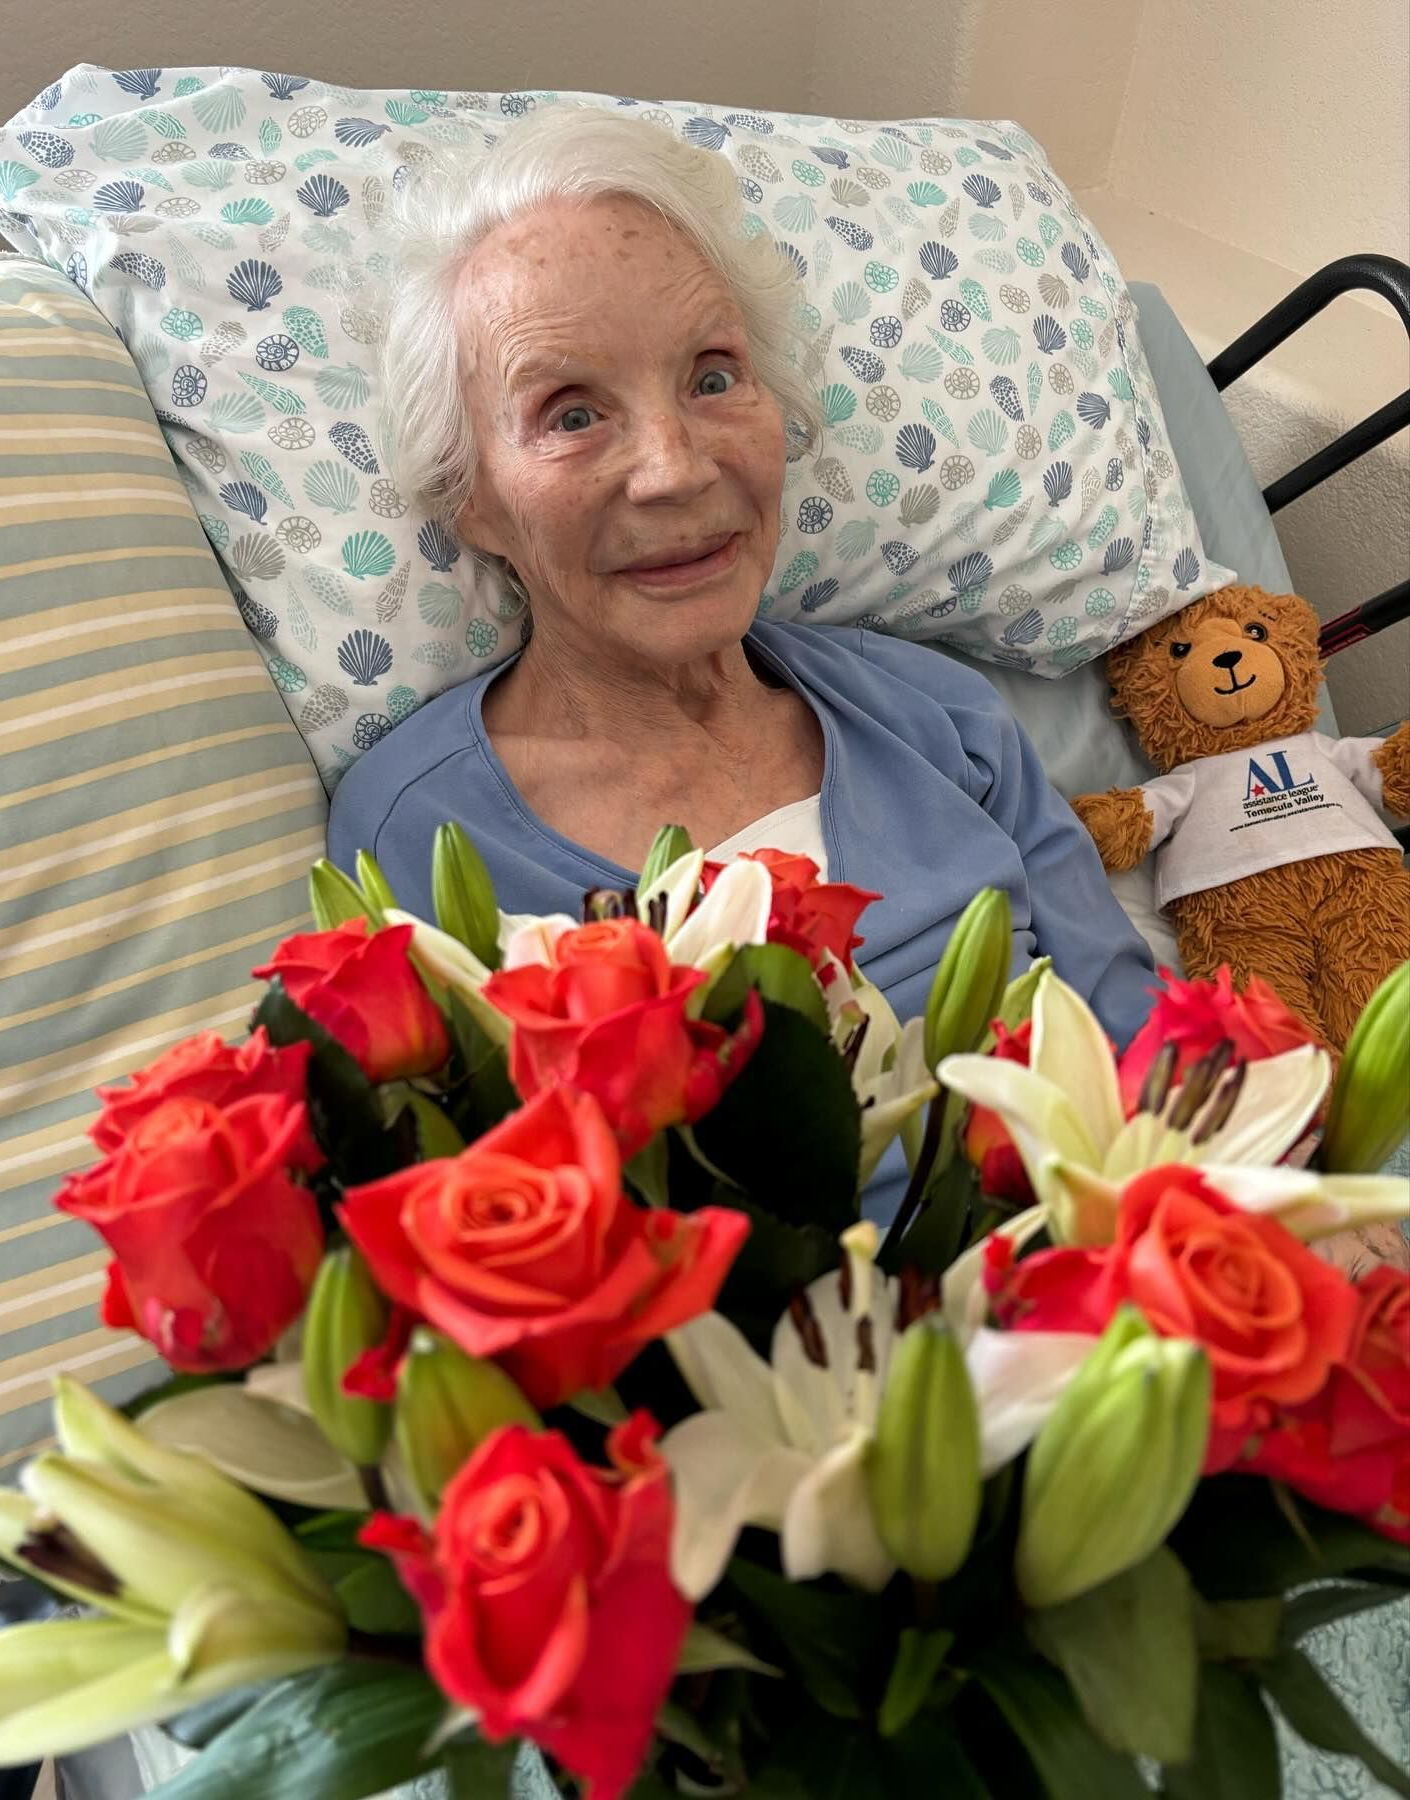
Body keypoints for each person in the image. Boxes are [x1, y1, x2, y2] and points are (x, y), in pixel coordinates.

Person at [328, 105, 1158, 1225]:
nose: (674, 469)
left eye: (714, 377)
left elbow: (1145, 1056)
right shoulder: (420, 837)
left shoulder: (937, 715)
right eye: (571, 413)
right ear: (469, 496)